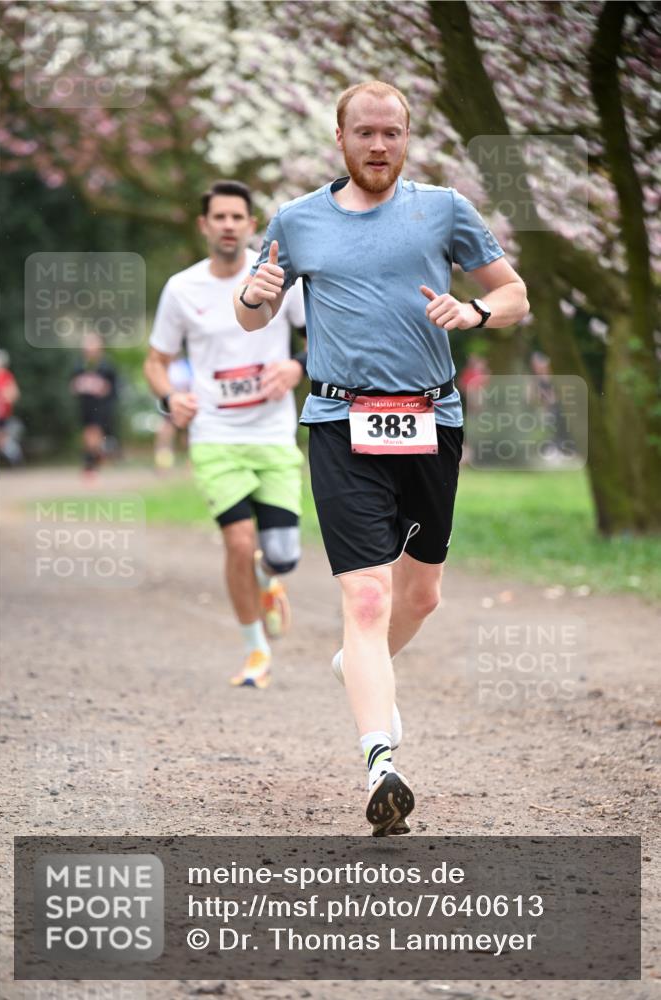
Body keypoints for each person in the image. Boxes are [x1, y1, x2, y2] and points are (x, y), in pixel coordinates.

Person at [234, 81, 529, 836]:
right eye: (363, 132)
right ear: (340, 138)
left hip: (430, 417)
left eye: (390, 133)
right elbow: (250, 309)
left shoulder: (443, 210)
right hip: (340, 418)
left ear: (407, 138)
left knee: (418, 598)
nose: (377, 145)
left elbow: (513, 295)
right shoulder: (297, 221)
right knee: (365, 598)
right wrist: (255, 294)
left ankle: (356, 664)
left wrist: (473, 311)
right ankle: (380, 761)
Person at [144, 180, 306, 690]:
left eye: (239, 217)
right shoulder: (182, 289)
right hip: (215, 435)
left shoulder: (279, 280)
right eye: (220, 217)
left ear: (251, 224)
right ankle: (255, 652)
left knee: (281, 555)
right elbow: (157, 361)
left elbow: (321, 336)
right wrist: (170, 398)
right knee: (238, 543)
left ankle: (267, 580)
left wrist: (296, 367)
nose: (230, 225)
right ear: (205, 225)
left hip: (274, 433)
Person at [70, 333, 118, 480]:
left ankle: (90, 464)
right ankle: (94, 461)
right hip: (86, 406)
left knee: (94, 433)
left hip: (101, 406)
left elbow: (113, 388)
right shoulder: (79, 365)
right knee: (88, 434)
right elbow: (72, 386)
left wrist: (100, 387)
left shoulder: (106, 366)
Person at [0, 349, 22, 466]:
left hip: (3, 414)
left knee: (2, 440)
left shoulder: (6, 376)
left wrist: (2, 395)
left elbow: (14, 395)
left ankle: (16, 457)